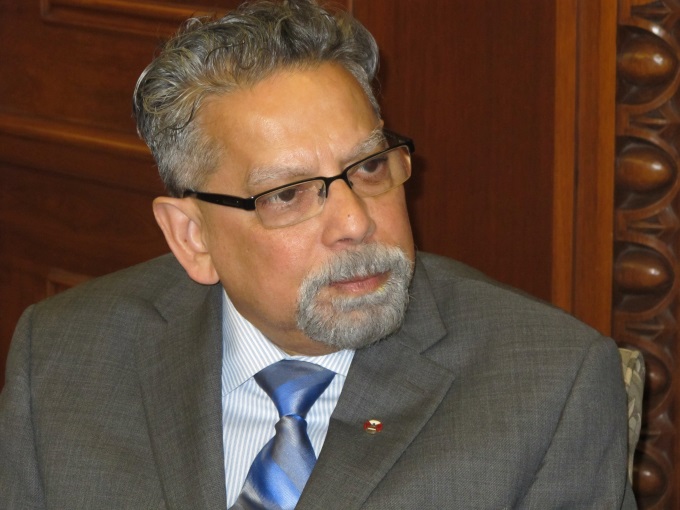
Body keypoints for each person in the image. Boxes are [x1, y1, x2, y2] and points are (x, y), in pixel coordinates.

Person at [0, 0, 636, 508]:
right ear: (193, 238)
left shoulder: (548, 385)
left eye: (370, 167)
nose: (356, 221)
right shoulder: (62, 356)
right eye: (287, 194)